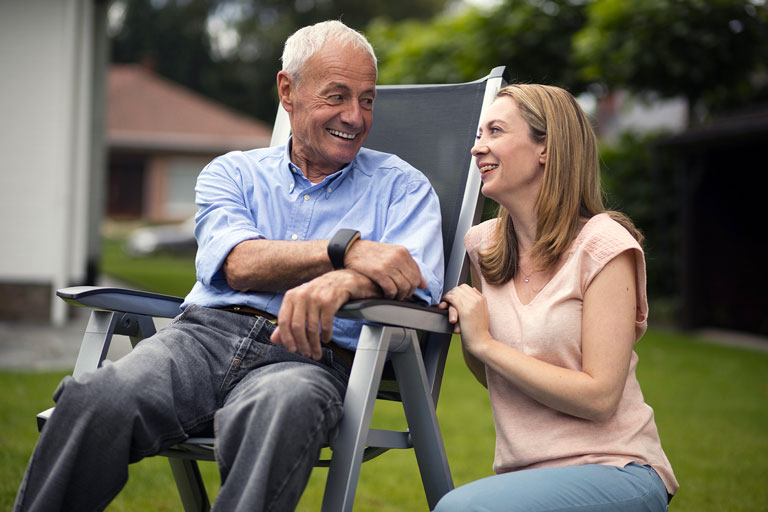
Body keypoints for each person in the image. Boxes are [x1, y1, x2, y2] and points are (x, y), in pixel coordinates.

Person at [14, 20, 443, 512]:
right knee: (94, 399)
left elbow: (417, 280)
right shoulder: (233, 173)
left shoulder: (403, 188)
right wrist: (343, 252)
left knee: (281, 411)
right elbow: (238, 262)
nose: (355, 116)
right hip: (200, 341)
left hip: (307, 356)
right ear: (288, 90)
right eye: (337, 96)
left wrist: (344, 284)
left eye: (367, 100)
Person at [434, 84, 678, 512]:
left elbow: (599, 398)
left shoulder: (604, 246)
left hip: (616, 467)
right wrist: (472, 335)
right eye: (478, 134)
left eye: (495, 131)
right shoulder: (483, 247)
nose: (478, 147)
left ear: (546, 148)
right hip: (526, 475)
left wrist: (485, 344)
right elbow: (496, 376)